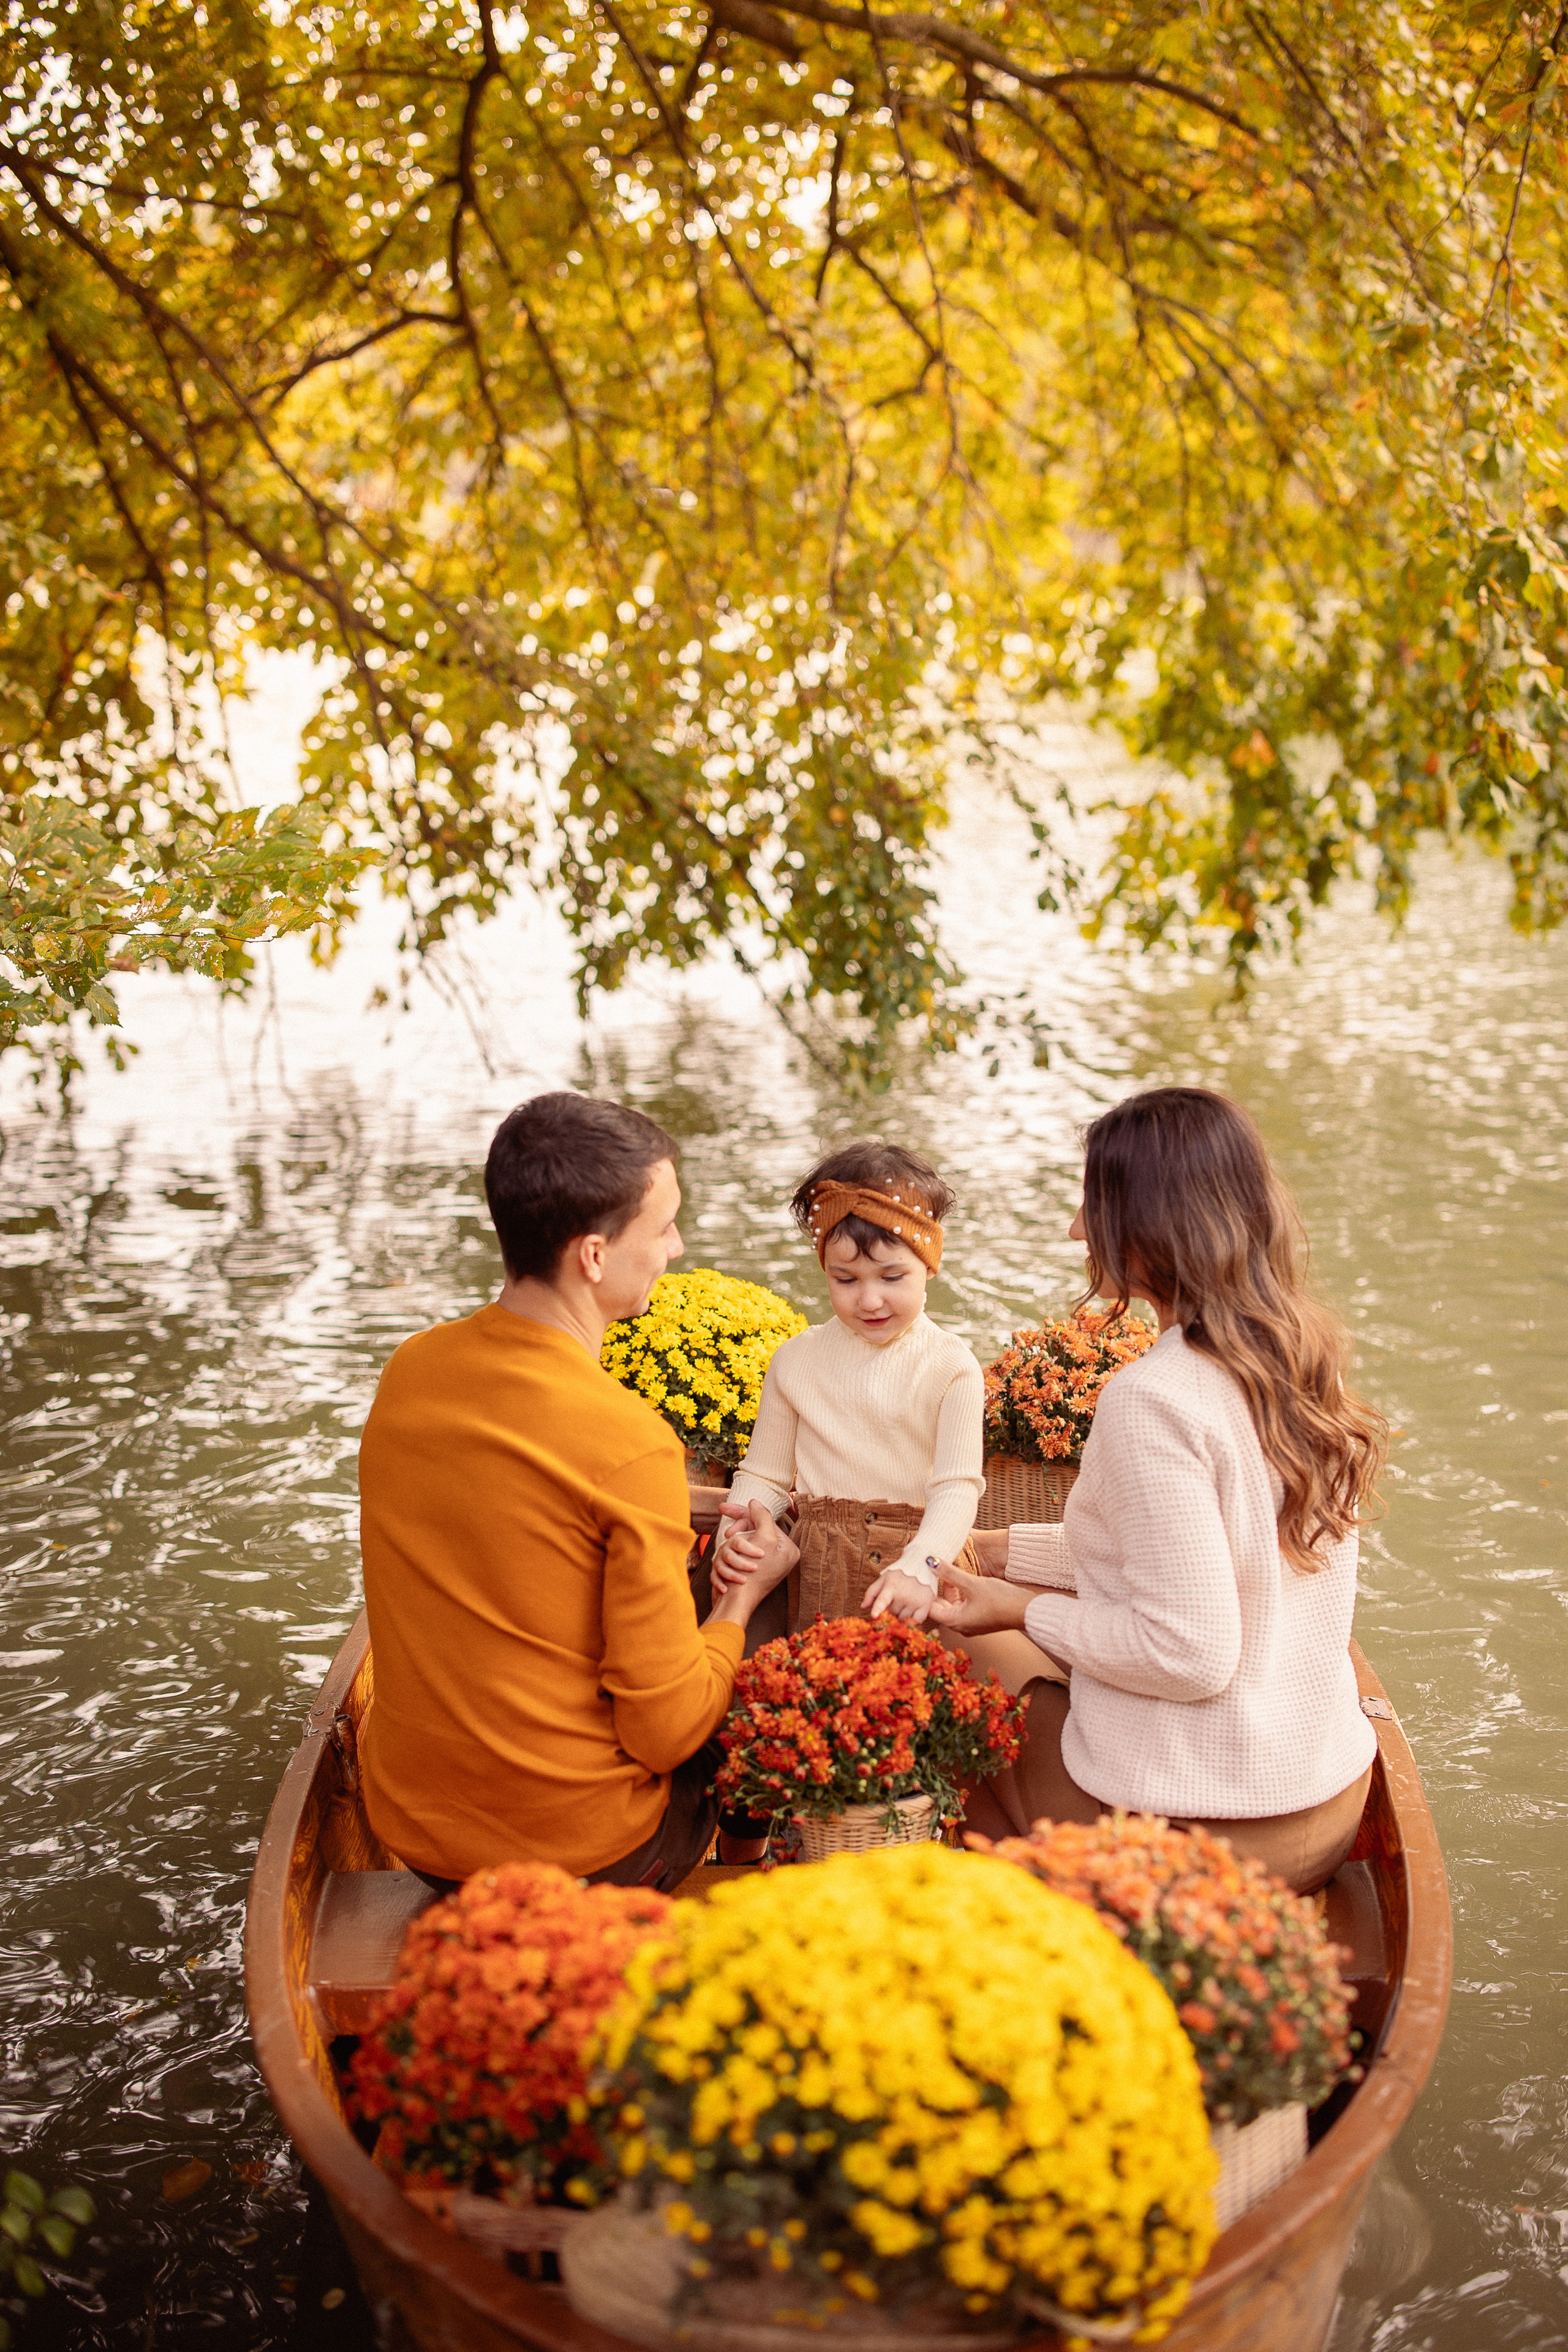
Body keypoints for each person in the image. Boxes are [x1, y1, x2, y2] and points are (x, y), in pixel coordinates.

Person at [927, 1087, 1387, 1896]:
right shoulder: (1304, 1360)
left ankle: (1051, 1917)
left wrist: (1016, 1609)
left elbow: (1187, 1654)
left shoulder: (1154, 1398)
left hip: (1208, 1841)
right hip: (1324, 1806)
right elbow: (1191, 1556)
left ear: (1149, 1226)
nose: (1077, 1229)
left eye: (1093, 1205)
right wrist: (998, 1552)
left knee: (956, 1653)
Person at [356, 1091, 797, 1891]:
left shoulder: (411, 1371)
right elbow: (665, 1734)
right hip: (592, 1852)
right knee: (769, 1583)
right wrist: (740, 1601)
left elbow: (532, 1499)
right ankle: (746, 1863)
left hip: (420, 1838)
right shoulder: (626, 1439)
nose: (676, 1246)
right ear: (594, 1256)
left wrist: (692, 1506)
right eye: (663, 1228)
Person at [711, 1142, 984, 1640]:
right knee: (823, 1678)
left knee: (914, 1683)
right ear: (825, 1271)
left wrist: (922, 1565)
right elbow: (766, 1476)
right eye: (846, 1279)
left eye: (892, 1276)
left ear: (929, 1265)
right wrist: (739, 1535)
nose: (870, 1299)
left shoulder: (951, 1365)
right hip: (823, 1567)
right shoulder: (797, 1360)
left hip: (921, 1563)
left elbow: (957, 1487)